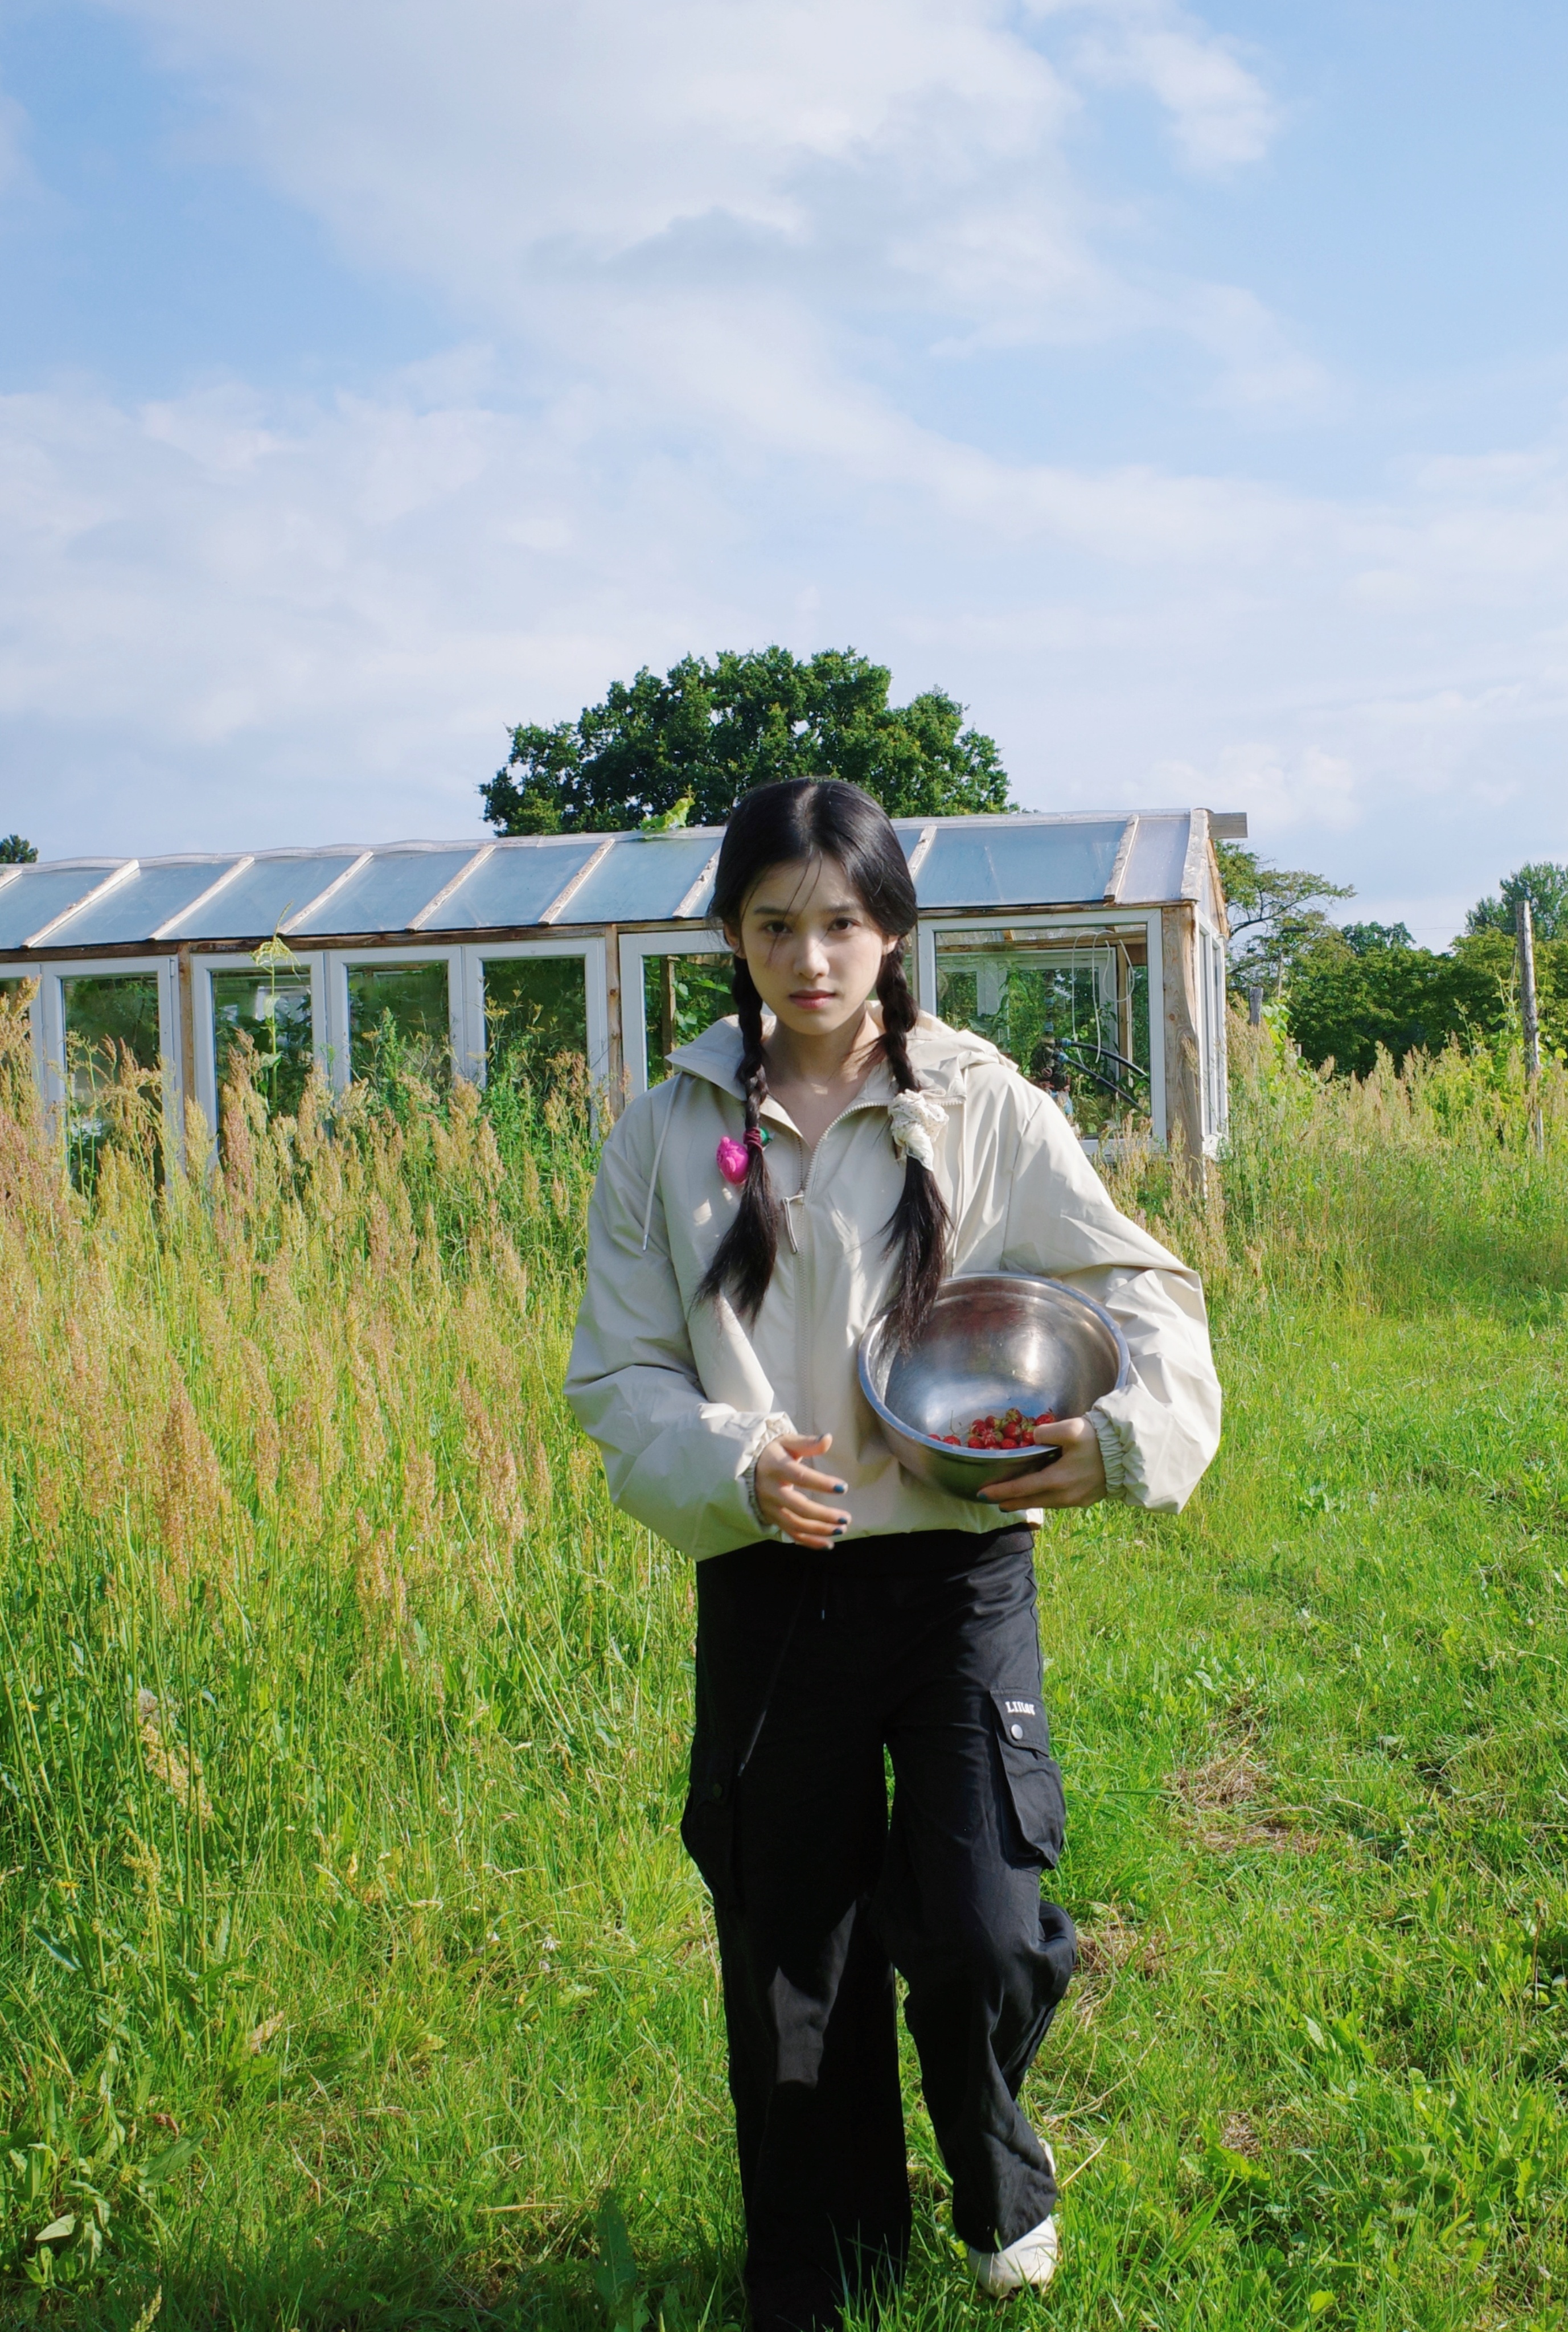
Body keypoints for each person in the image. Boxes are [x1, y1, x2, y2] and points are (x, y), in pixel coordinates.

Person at [567, 779, 1221, 2331]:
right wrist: (733, 1466)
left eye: (842, 924)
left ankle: (995, 2156)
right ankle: (822, 2255)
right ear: (731, 936)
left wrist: (1121, 1444)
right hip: (771, 1583)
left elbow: (1140, 1285)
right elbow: (620, 1374)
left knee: (985, 1928)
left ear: (892, 932)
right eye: (774, 925)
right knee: (791, 1952)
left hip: (952, 1578)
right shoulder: (669, 1132)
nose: (810, 960)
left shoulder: (978, 1099)